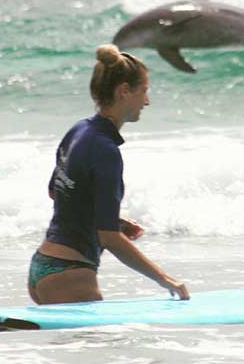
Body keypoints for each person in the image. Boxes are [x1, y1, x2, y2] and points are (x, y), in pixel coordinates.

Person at [28, 44, 189, 304]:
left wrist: (112, 218)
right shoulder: (105, 150)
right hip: (70, 274)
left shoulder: (79, 130)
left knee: (80, 344)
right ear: (124, 91)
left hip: (44, 266)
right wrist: (164, 279)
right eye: (144, 91)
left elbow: (57, 191)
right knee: (101, 343)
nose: (146, 101)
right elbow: (110, 239)